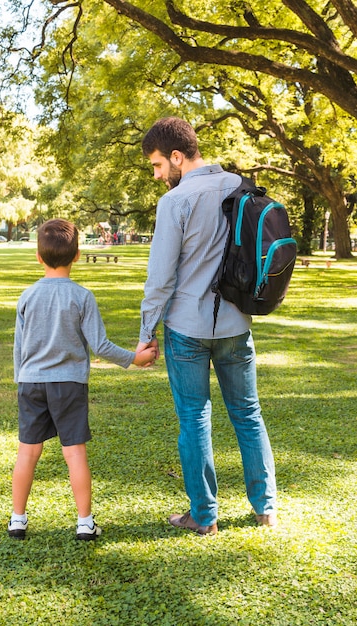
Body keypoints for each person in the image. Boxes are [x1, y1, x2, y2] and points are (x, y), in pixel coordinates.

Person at [136, 117, 277, 535]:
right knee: (248, 413)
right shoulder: (240, 186)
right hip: (236, 324)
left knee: (194, 418)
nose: (159, 175)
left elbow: (160, 277)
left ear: (177, 156)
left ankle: (204, 516)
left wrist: (147, 331)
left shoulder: (175, 201)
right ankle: (265, 508)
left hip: (187, 328)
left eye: (159, 165)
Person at [9, 218, 156, 541]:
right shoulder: (82, 297)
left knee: (27, 453)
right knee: (74, 453)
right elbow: (100, 346)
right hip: (69, 385)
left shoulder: (27, 296)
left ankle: (17, 519)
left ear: (38, 256)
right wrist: (135, 359)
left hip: (31, 383)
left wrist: (23, 379)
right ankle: (84, 522)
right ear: (77, 256)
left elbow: (19, 348)